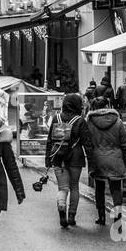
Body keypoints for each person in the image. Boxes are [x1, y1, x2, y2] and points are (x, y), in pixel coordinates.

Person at [83, 96, 126, 225]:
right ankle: (118, 219)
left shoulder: (89, 122)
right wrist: (123, 158)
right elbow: (124, 142)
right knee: (116, 189)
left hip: (97, 158)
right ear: (107, 106)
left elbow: (87, 142)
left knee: (99, 188)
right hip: (115, 157)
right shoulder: (118, 121)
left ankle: (101, 217)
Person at [46, 92, 88, 228]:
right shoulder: (80, 121)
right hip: (76, 158)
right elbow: (87, 142)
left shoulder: (56, 118)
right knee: (74, 187)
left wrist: (48, 159)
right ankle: (71, 216)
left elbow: (49, 140)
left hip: (58, 157)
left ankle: (61, 208)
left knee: (62, 188)